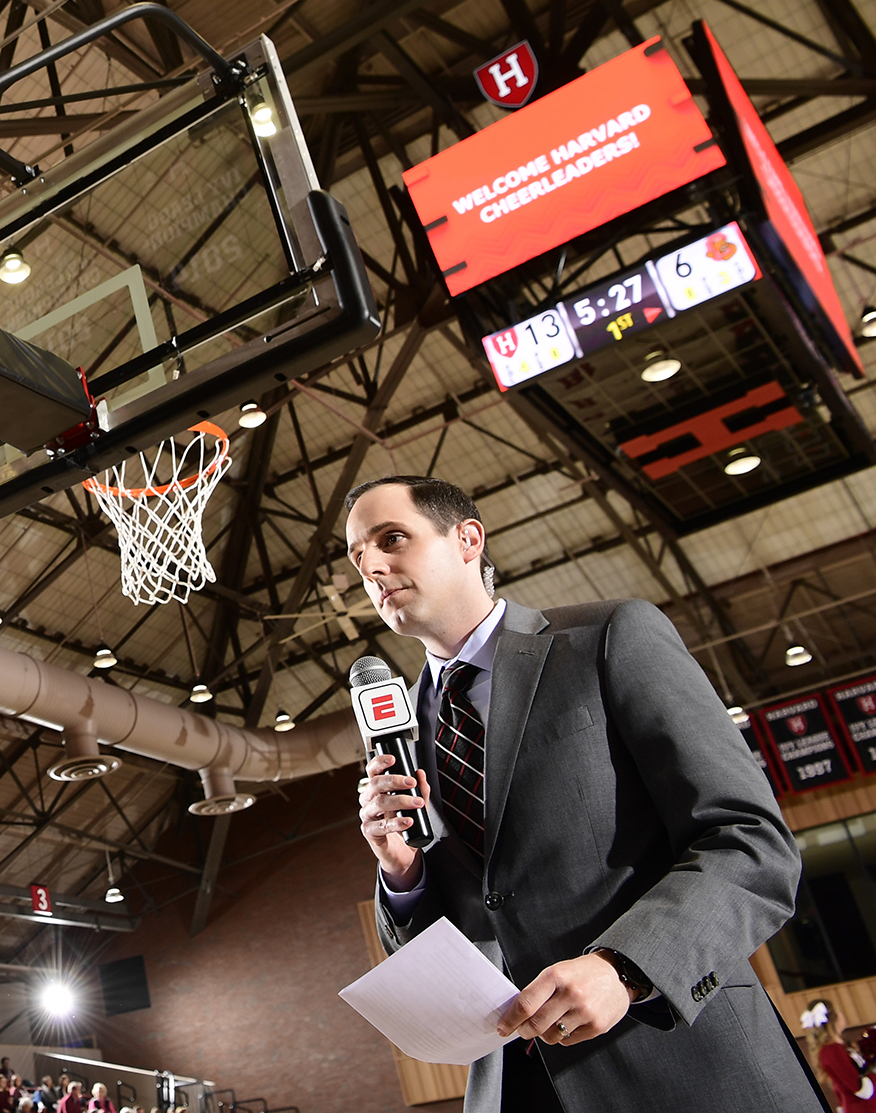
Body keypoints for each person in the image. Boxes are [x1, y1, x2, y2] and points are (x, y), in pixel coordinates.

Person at [347, 474, 827, 1112]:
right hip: (514, 1085)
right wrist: (403, 874)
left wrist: (625, 969)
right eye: (358, 557)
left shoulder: (608, 639)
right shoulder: (403, 726)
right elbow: (480, 921)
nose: (372, 566)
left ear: (467, 539)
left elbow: (752, 843)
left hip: (680, 1060)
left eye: (392, 538)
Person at [809, 1002, 876, 1112]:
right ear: (833, 1018)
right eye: (838, 1011)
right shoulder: (831, 1051)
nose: (842, 1014)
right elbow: (863, 1089)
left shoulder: (841, 1047)